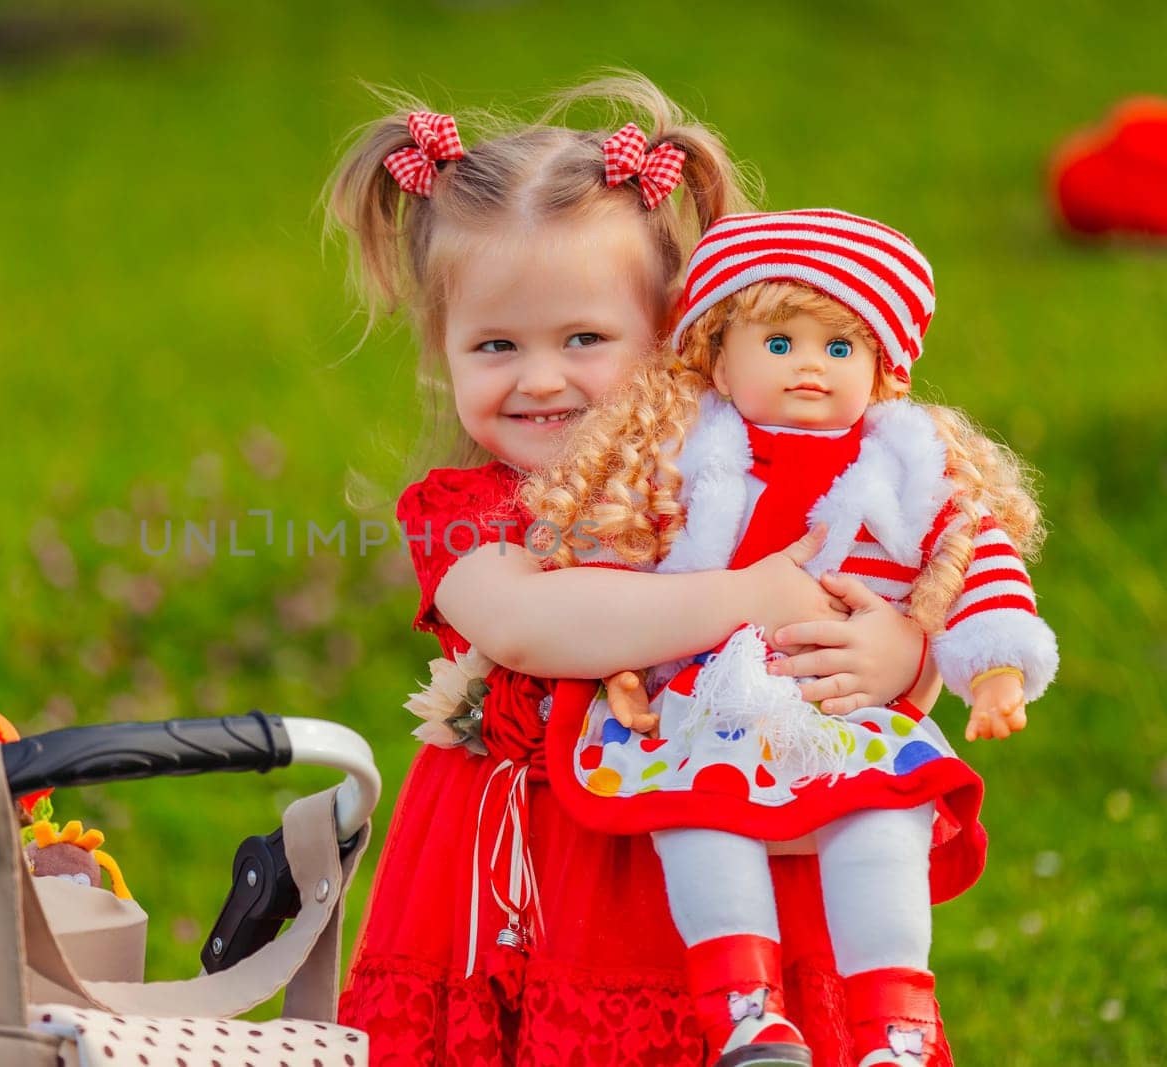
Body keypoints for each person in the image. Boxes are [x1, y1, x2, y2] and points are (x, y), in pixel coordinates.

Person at [329, 78, 945, 1064]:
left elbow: (873, 591)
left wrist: (896, 649)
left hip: (730, 836)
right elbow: (533, 623)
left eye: (583, 339)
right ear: (442, 354)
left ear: (673, 338)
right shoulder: (465, 511)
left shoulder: (736, 495)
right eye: (495, 344)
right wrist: (747, 595)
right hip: (532, 878)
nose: (538, 377)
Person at [525, 209, 1058, 1066]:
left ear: (882, 371)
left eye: (840, 348)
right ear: (717, 354)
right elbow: (623, 550)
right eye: (780, 342)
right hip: (709, 705)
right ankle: (745, 1009)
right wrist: (625, 667)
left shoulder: (905, 464)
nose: (810, 365)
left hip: (841, 704)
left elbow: (979, 553)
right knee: (700, 817)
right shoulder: (683, 452)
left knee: (880, 823)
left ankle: (897, 1019)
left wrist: (994, 662)